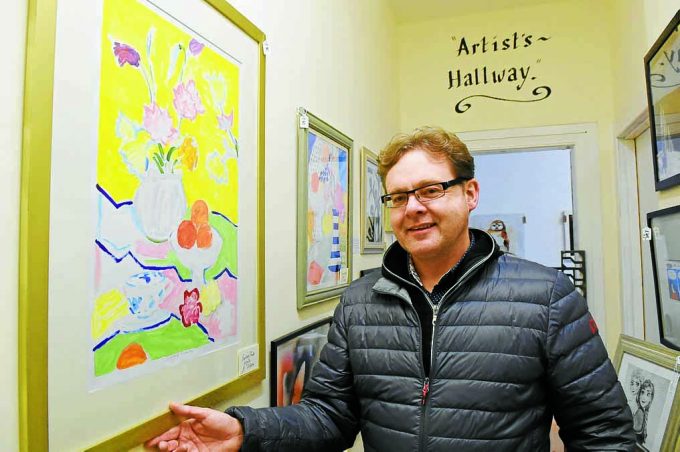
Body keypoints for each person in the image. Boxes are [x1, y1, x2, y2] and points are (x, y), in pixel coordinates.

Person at [147, 126, 635, 451]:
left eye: (430, 190)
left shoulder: (547, 296)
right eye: (399, 196)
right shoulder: (360, 303)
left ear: (470, 194)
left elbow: (603, 434)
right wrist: (243, 429)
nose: (413, 207)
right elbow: (328, 418)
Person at [633, 379, 655, 447]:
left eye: (648, 394)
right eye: (642, 392)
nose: (644, 397)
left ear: (651, 399)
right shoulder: (639, 413)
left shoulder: (644, 413)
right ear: (639, 394)